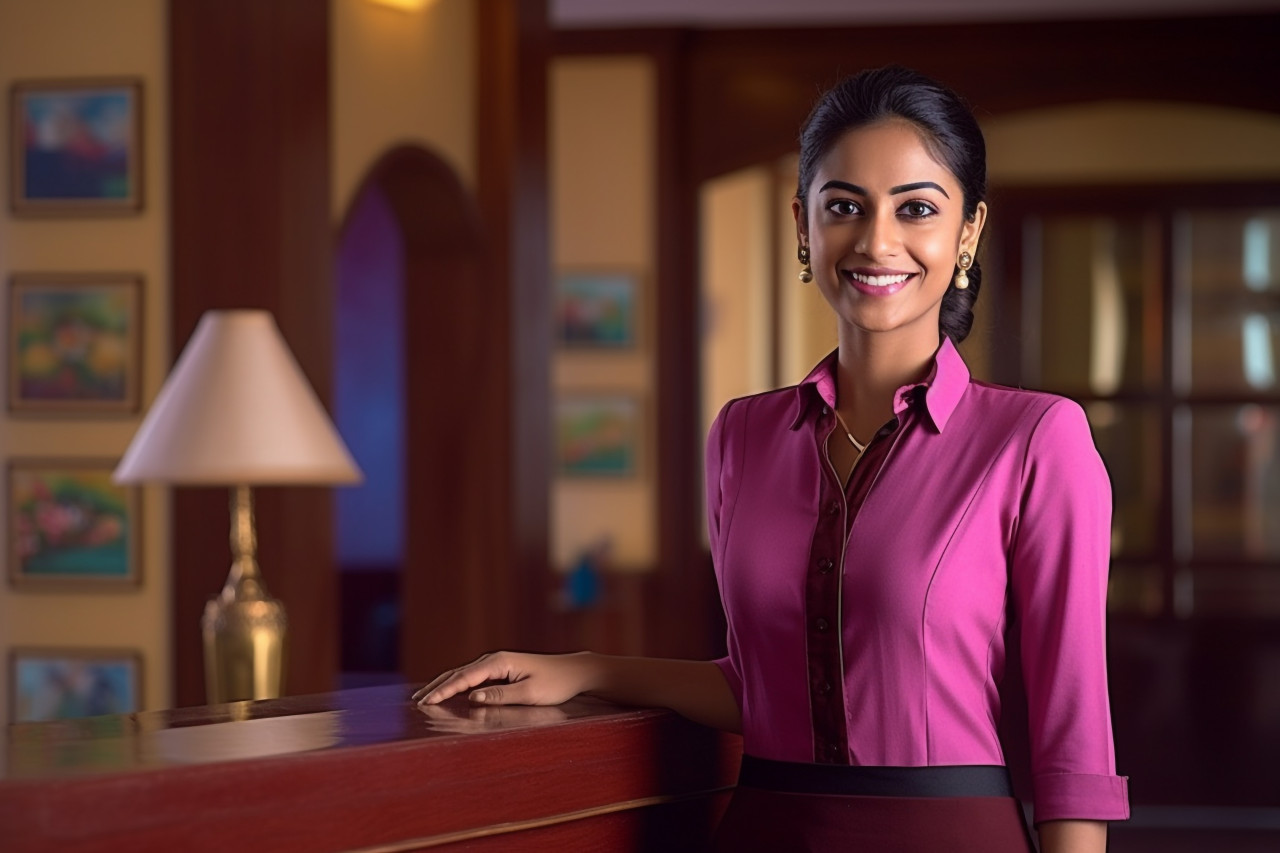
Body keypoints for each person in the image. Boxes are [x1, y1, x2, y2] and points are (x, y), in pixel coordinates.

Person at [414, 66, 1129, 852]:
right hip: (766, 828)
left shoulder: (1035, 440)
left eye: (916, 208)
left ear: (968, 232)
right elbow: (759, 687)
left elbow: (1072, 728)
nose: (876, 241)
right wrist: (583, 667)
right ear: (804, 226)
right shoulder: (743, 436)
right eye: (844, 206)